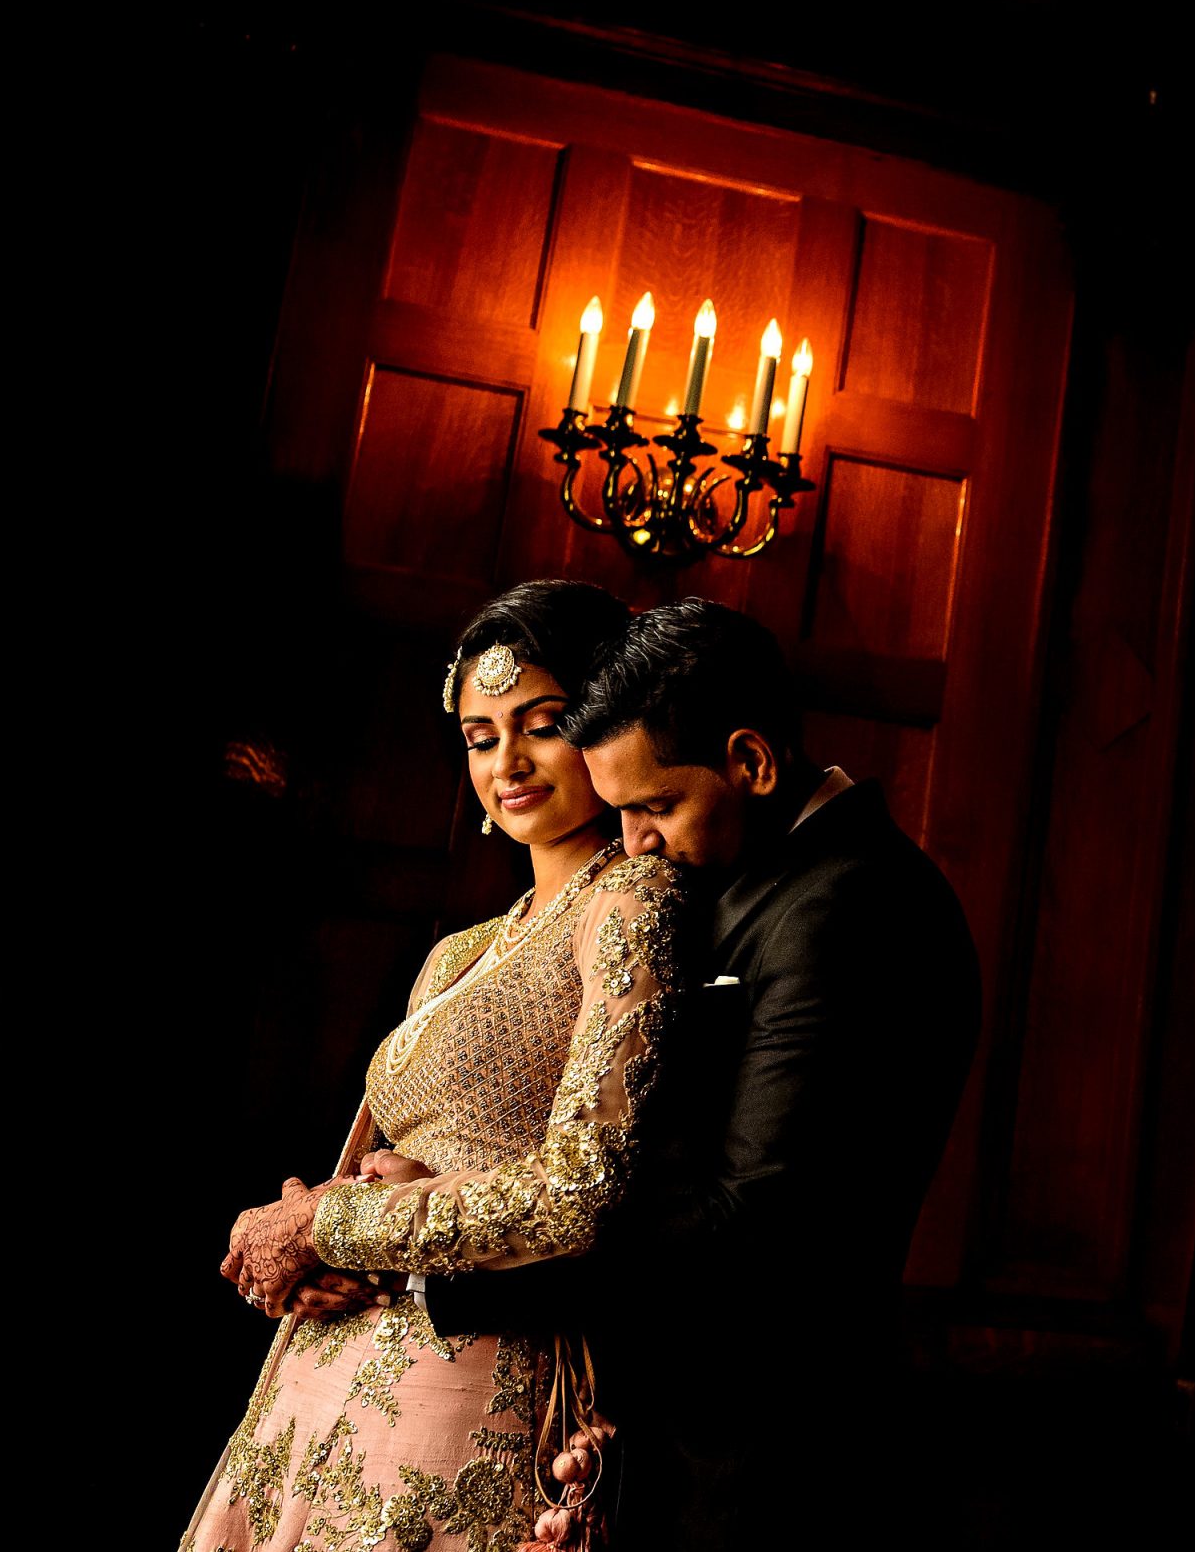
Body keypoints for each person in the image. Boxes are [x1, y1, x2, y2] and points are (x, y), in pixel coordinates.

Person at [413, 597, 983, 1545]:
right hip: (667, 1433)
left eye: (655, 805)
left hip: (759, 1460)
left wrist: (439, 1259)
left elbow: (744, 1228)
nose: (635, 841)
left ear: (751, 762)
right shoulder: (761, 878)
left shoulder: (852, 905)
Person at [185, 579, 678, 1552]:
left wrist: (332, 1224)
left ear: (605, 722)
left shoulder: (627, 903)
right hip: (321, 1381)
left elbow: (580, 1189)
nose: (508, 763)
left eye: (542, 724)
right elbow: (372, 1166)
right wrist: (306, 1249)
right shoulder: (461, 950)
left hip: (464, 1373)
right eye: (480, 737)